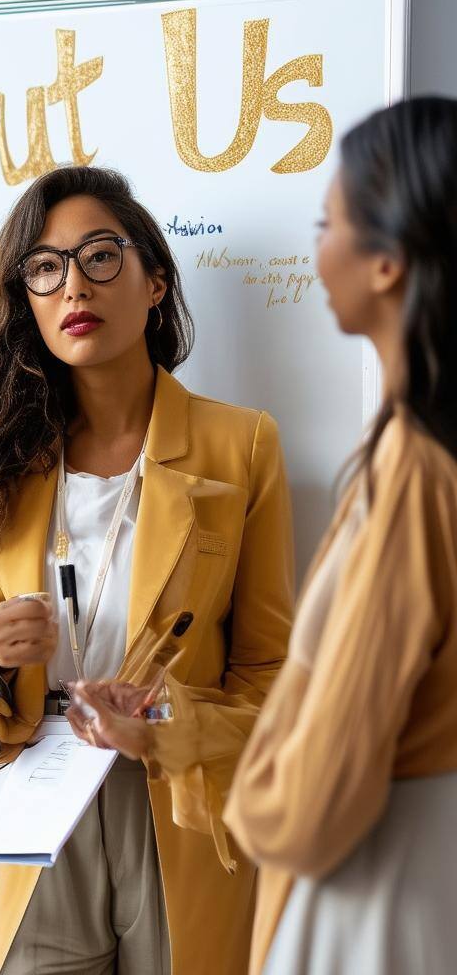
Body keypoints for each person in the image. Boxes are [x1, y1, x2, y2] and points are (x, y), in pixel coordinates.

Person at [0, 165, 295, 975]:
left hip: (174, 800)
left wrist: (166, 720)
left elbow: (271, 678)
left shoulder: (241, 445)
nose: (73, 286)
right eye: (45, 267)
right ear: (26, 299)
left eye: (99, 255)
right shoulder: (7, 460)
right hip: (42, 797)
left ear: (155, 280)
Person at [222, 97, 457, 975]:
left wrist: (250, 805)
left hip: (373, 898)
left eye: (328, 225)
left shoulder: (413, 471)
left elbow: (320, 797)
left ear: (388, 260)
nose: (316, 252)